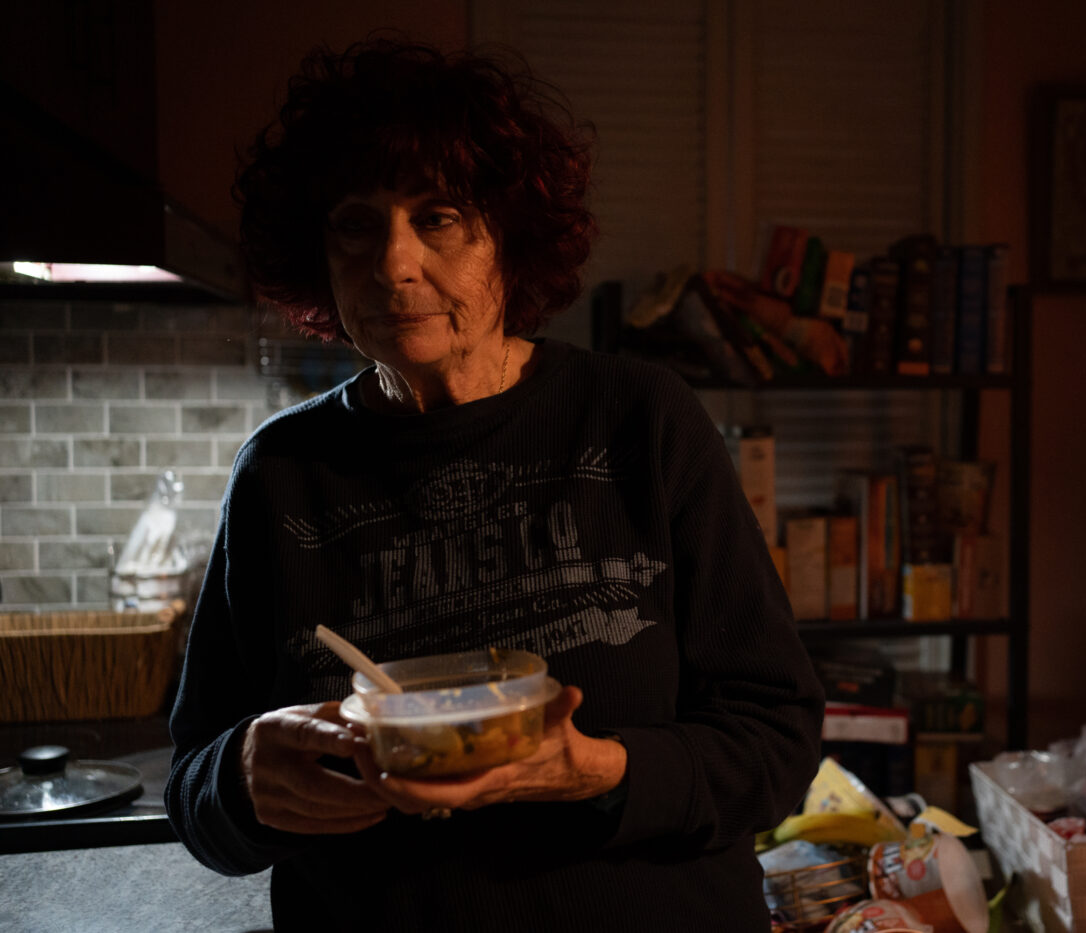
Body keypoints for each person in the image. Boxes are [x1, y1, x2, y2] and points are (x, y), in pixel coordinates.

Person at [164, 38, 825, 932]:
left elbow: (777, 741)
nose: (395, 265)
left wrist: (595, 772)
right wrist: (242, 776)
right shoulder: (281, 474)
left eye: (437, 217)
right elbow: (196, 790)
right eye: (356, 224)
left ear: (509, 238)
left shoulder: (641, 421)